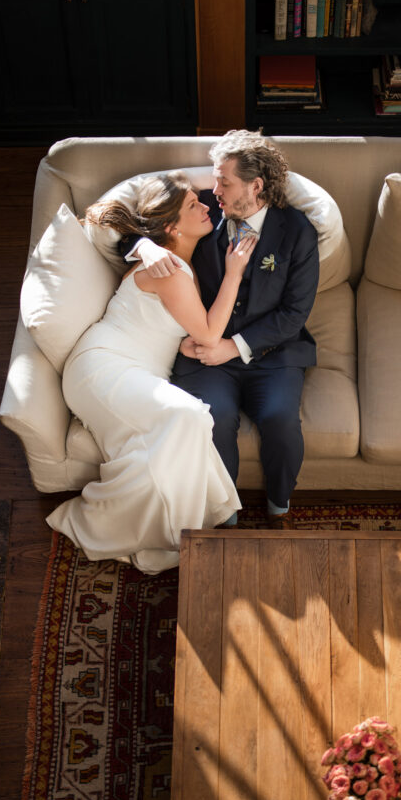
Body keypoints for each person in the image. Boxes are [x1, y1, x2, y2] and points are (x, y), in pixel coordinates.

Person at [46, 171, 257, 574]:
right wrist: (234, 273)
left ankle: (172, 530)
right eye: (193, 205)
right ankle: (97, 521)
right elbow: (211, 333)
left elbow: (161, 323)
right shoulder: (172, 268)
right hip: (103, 366)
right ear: (171, 226)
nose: (206, 205)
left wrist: (179, 342)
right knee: (191, 415)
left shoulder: (172, 262)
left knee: (178, 435)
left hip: (126, 368)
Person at [124, 130, 319, 528]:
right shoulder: (203, 217)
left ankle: (279, 505)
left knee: (281, 421)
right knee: (212, 419)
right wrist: (144, 246)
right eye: (214, 180)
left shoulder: (297, 232)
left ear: (256, 185)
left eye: (224, 182)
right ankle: (224, 515)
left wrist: (233, 346)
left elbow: (294, 312)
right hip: (205, 357)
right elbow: (131, 224)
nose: (214, 191)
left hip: (273, 354)